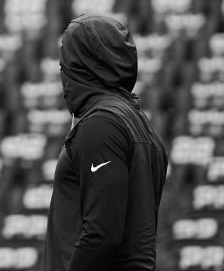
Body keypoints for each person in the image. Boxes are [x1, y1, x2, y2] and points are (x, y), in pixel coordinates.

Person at [43, 14, 169, 271]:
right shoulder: (139, 123)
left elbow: (102, 233)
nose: (63, 78)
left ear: (81, 67)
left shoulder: (101, 125)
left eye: (65, 66)